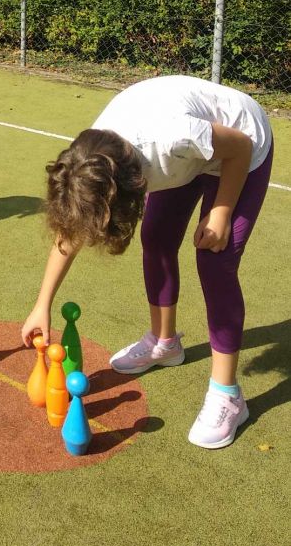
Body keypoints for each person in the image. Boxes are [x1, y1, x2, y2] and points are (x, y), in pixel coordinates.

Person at [20, 75, 273, 450]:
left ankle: (228, 395)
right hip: (193, 153)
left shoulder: (173, 139)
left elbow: (239, 146)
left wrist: (221, 212)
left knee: (214, 260)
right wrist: (42, 305)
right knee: (156, 238)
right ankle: (164, 344)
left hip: (241, 145)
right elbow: (74, 225)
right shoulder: (90, 159)